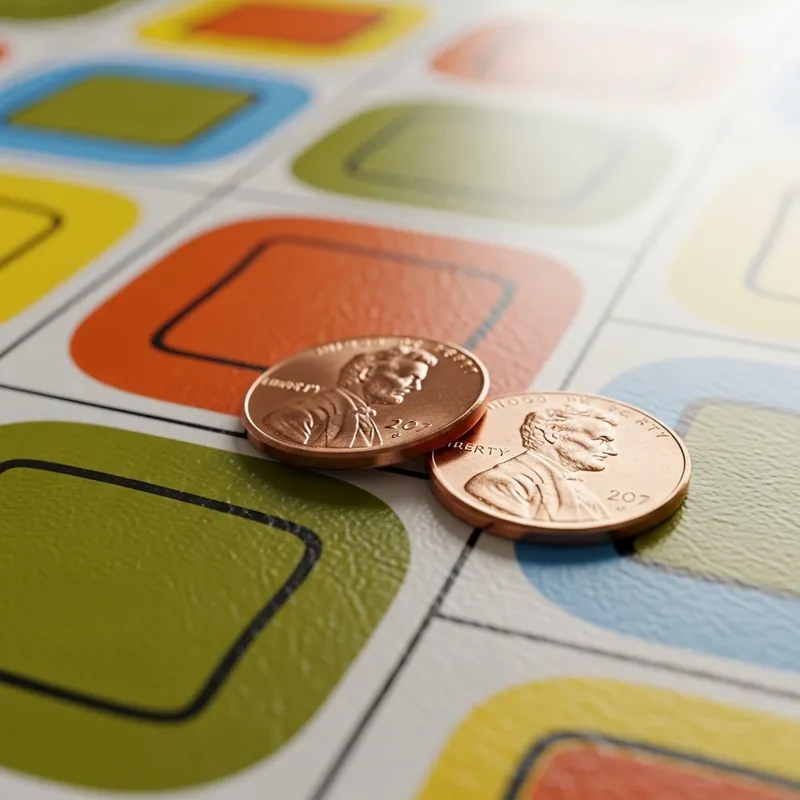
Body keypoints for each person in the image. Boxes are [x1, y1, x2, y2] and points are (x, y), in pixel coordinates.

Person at [465, 403, 619, 522]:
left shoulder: (578, 487)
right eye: (601, 440)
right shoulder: (501, 483)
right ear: (553, 432)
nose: (612, 451)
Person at [263, 344, 438, 449]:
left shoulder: (364, 417)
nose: (416, 387)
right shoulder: (301, 416)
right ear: (367, 372)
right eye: (411, 377)